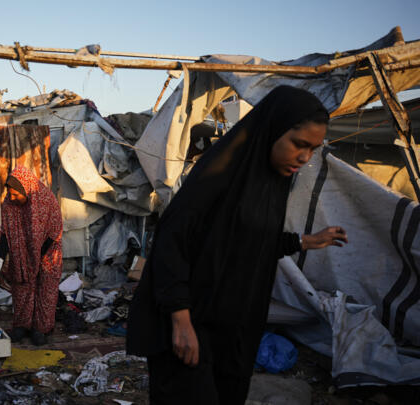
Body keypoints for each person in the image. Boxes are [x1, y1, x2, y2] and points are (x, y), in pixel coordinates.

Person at [126, 86, 349, 404]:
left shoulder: (268, 183)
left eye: (312, 149)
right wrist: (181, 320)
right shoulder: (219, 173)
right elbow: (172, 243)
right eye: (299, 144)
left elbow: (248, 242)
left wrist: (305, 241)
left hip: (232, 327)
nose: (304, 157)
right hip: (191, 320)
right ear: (272, 130)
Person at [0, 166, 63, 346]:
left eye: (15, 195)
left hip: (48, 252)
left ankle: (40, 329)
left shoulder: (46, 200)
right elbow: (6, 233)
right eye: (10, 194)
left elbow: (54, 232)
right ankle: (22, 325)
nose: (11, 198)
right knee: (22, 287)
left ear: (26, 189)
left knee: (45, 290)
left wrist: (36, 258)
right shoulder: (9, 204)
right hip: (22, 253)